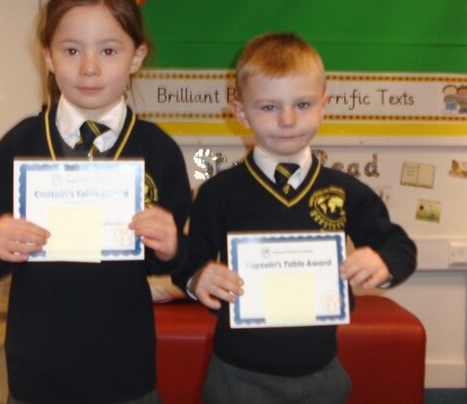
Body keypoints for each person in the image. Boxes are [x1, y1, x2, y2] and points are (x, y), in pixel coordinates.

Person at [0, 0, 192, 404]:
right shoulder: (21, 143)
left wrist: (171, 245)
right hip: (37, 376)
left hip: (126, 376)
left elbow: (180, 261)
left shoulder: (158, 152)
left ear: (137, 57)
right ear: (48, 57)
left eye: (108, 51)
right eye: (72, 50)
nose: (89, 67)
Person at [172, 32, 417, 404]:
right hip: (236, 376)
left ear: (324, 105)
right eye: (269, 107)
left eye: (303, 104)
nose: (287, 120)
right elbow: (187, 258)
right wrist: (197, 277)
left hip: (321, 372)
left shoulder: (345, 190)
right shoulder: (218, 192)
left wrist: (383, 263)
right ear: (241, 112)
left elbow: (400, 246)